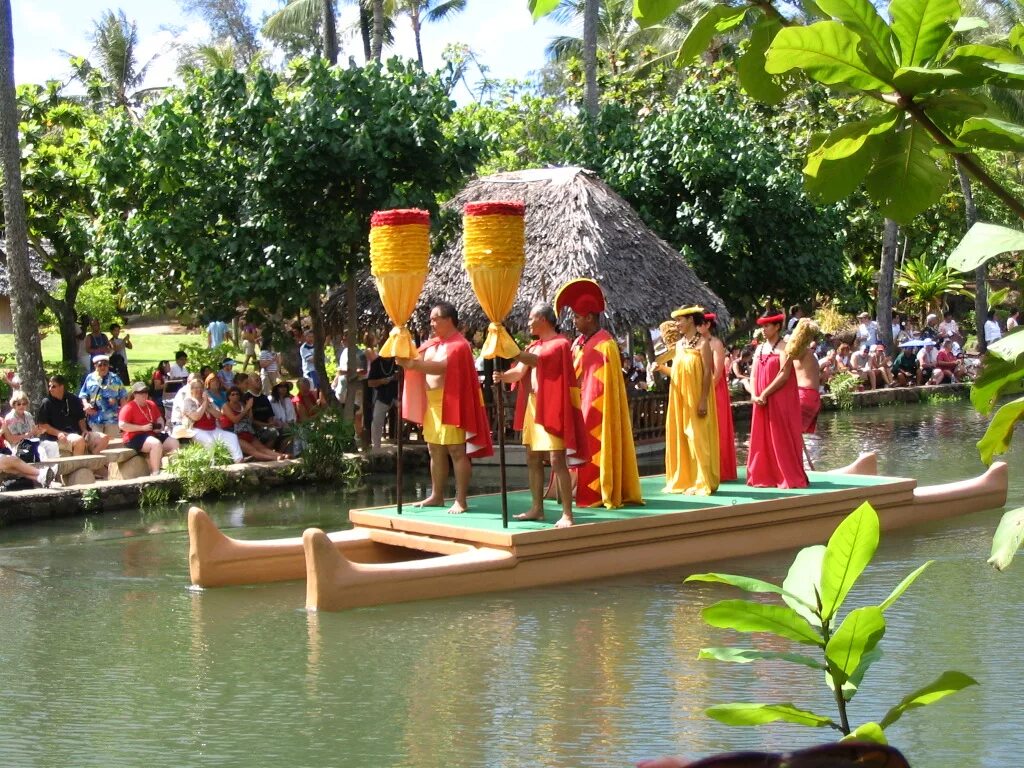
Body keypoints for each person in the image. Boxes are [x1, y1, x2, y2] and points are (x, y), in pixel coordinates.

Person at [496, 303, 588, 527]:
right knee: (533, 458)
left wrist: (510, 347)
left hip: (553, 405)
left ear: (543, 320)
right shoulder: (535, 345)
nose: (528, 322)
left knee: (557, 460)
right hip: (534, 405)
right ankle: (537, 508)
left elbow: (538, 362)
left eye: (531, 318)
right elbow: (520, 371)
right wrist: (502, 376)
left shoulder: (560, 344)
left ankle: (567, 514)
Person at [555, 278, 642, 508]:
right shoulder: (579, 343)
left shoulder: (605, 345)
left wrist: (586, 410)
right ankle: (573, 489)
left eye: (577, 317)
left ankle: (595, 490)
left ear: (589, 317)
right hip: (579, 404)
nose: (574, 322)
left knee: (593, 444)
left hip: (596, 410)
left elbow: (601, 387)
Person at [399, 302, 493, 514]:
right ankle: (437, 495)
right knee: (434, 449)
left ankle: (461, 499)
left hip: (452, 401)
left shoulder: (459, 345)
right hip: (432, 403)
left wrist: (414, 365)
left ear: (449, 319)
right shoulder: (430, 344)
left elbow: (442, 367)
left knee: (457, 451)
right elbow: (415, 359)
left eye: (435, 319)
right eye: (431, 319)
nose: (432, 323)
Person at [747, 308, 808, 489]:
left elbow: (784, 374)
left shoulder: (786, 347)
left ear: (778, 326)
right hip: (760, 398)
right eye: (762, 326)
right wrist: (754, 394)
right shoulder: (759, 348)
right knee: (762, 436)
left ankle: (784, 475)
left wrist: (765, 393)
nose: (763, 329)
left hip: (779, 397)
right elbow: (753, 374)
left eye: (768, 326)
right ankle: (764, 475)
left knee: (781, 435)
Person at [662, 306, 719, 495]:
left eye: (680, 320)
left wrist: (703, 400)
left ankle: (703, 481)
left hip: (697, 397)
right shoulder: (679, 345)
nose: (677, 324)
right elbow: (677, 374)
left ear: (691, 320)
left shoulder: (703, 344)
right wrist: (661, 368)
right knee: (681, 435)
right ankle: (686, 479)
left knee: (697, 437)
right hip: (680, 398)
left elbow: (706, 374)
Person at [700, 312, 737, 482]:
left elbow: (717, 373)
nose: (697, 326)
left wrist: (705, 393)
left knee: (717, 429)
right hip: (701, 390)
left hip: (714, 391)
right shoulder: (695, 343)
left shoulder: (716, 343)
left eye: (700, 323)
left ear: (708, 325)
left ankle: (720, 470)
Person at [37, 375, 109, 455]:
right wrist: (58, 433)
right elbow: (43, 425)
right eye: (49, 386)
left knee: (104, 438)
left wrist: (84, 430)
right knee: (79, 440)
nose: (50, 389)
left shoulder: (73, 399)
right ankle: (78, 466)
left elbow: (81, 418)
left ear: (62, 387)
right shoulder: (47, 402)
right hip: (57, 437)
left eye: (53, 386)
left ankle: (92, 461)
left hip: (77, 433)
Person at [118, 381, 179, 475]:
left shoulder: (151, 404)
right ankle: (155, 473)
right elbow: (122, 425)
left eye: (146, 392)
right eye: (141, 392)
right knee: (156, 444)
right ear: (135, 394)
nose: (144, 394)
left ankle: (174, 469)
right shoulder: (128, 407)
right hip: (134, 437)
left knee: (174, 442)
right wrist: (142, 428)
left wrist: (160, 427)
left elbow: (159, 419)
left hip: (152, 433)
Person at [219, 386, 289, 461]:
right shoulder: (226, 406)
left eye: (237, 394)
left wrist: (250, 408)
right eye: (232, 394)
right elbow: (235, 420)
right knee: (253, 451)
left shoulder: (241, 404)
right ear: (228, 396)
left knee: (262, 448)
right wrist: (246, 408)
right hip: (233, 434)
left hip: (246, 431)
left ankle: (281, 455)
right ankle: (275, 458)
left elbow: (250, 419)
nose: (235, 396)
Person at [182, 378, 243, 462]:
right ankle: (212, 465)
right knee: (209, 441)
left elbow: (219, 415)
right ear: (191, 390)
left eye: (200, 387)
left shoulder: (208, 400)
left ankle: (238, 460)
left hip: (212, 429)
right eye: (195, 388)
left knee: (232, 437)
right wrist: (204, 404)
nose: (198, 390)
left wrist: (207, 405)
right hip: (196, 430)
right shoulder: (189, 401)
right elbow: (196, 416)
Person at [78, 355, 127, 437]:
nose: (103, 367)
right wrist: (86, 405)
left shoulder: (115, 379)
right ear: (95, 366)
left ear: (108, 366)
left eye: (105, 364)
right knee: (98, 443)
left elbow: (123, 397)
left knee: (112, 445)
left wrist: (123, 416)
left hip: (112, 419)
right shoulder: (90, 378)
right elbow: (83, 395)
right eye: (100, 365)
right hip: (95, 418)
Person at [790, 319, 822, 436]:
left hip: (803, 395)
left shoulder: (800, 353)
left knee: (788, 432)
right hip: (814, 397)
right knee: (797, 434)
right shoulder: (809, 353)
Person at [366, 354, 399, 450]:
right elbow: (370, 383)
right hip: (383, 396)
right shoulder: (376, 363)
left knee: (405, 414)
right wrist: (382, 381)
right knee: (376, 420)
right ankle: (376, 447)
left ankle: (401, 440)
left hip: (398, 395)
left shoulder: (397, 361)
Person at [3, 390, 43, 460]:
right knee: (41, 451)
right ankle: (41, 470)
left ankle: (54, 470)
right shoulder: (10, 418)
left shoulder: (28, 415)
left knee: (51, 445)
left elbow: (34, 434)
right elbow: (12, 440)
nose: (21, 406)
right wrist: (27, 435)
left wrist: (38, 432)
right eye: (19, 404)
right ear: (14, 405)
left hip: (32, 443)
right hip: (18, 447)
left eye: (24, 404)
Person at [258, 329, 281, 395]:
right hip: (266, 374)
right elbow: (262, 364)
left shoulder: (275, 352)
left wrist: (277, 371)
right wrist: (272, 360)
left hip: (274, 373)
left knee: (276, 391)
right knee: (266, 391)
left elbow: (278, 363)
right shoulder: (264, 352)